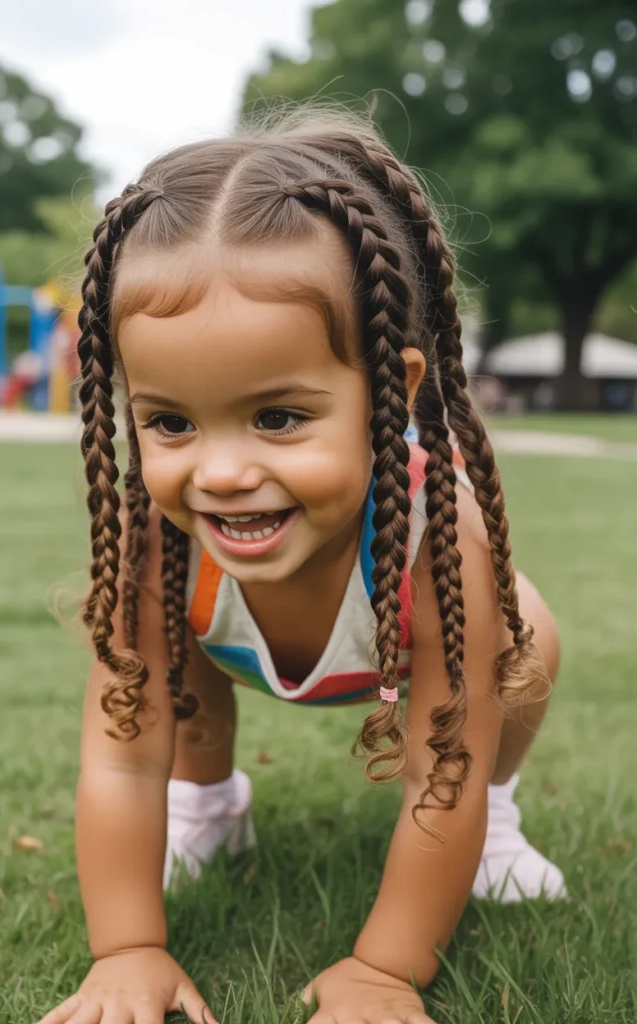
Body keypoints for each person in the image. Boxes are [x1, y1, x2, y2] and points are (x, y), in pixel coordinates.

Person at [40, 111, 566, 1024]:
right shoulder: (161, 541)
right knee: (165, 663)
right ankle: (209, 802)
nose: (221, 472)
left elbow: (437, 775)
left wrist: (384, 970)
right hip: (229, 650)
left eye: (278, 417)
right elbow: (123, 762)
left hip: (427, 657)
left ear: (390, 392)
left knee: (524, 642)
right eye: (171, 422)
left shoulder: (441, 545)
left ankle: (500, 819)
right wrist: (127, 950)